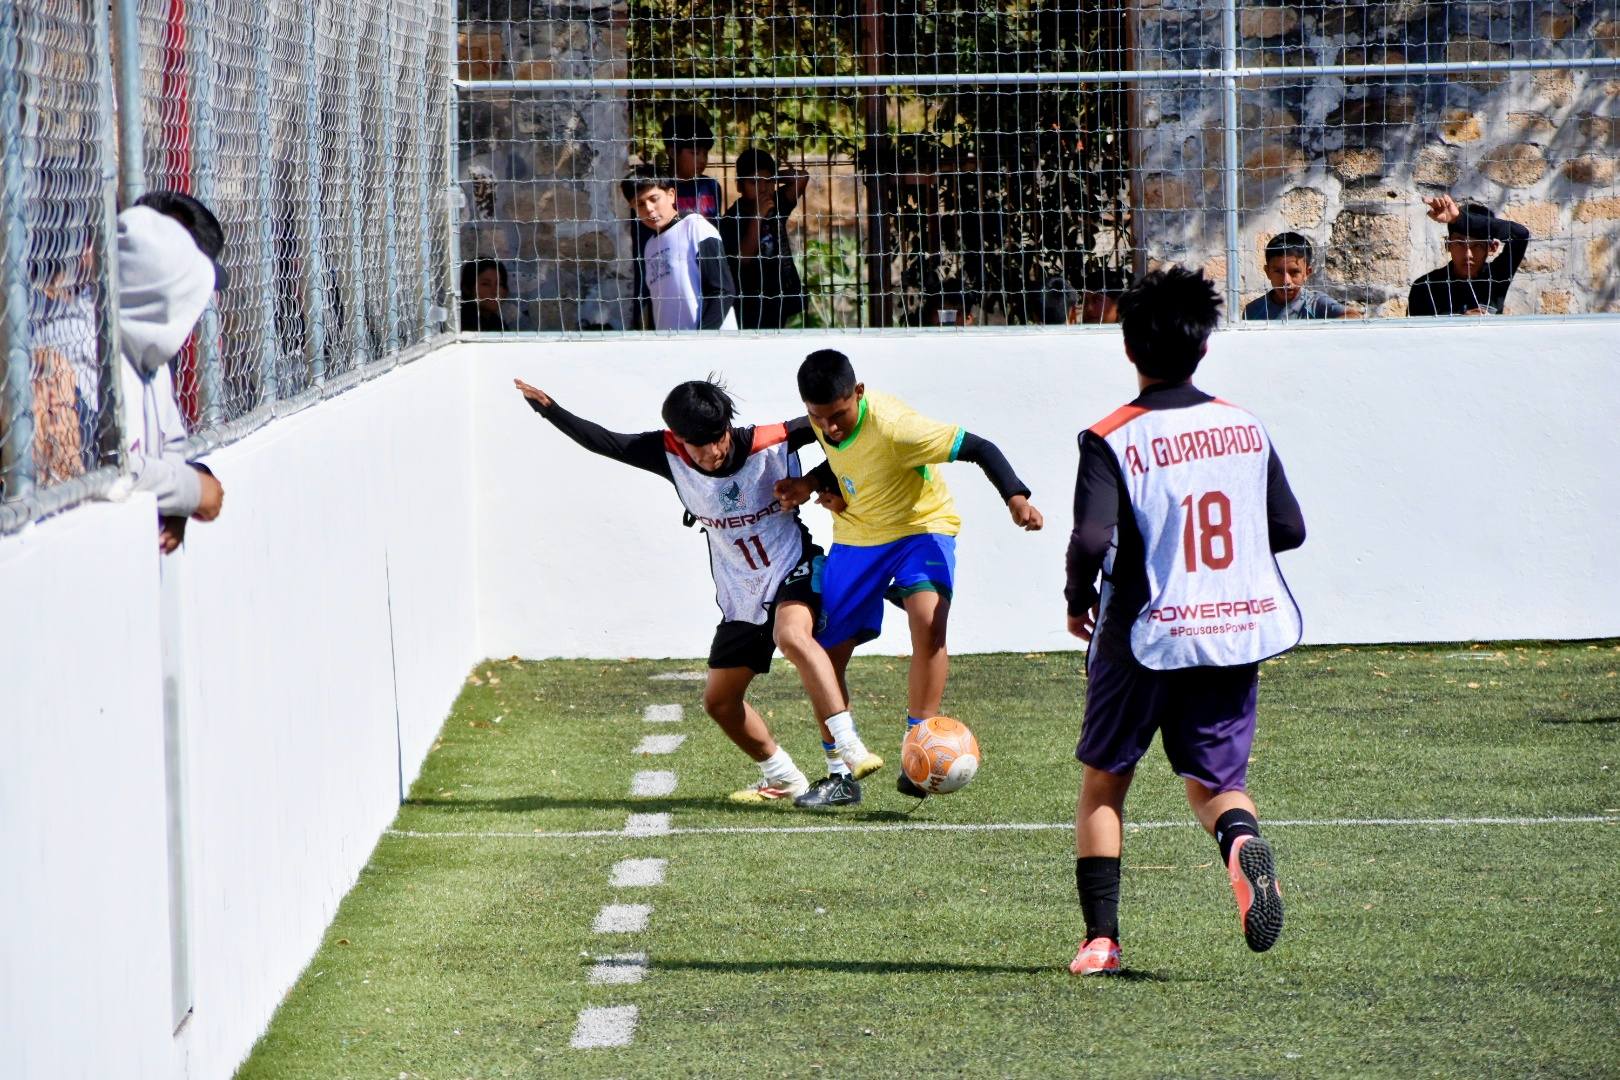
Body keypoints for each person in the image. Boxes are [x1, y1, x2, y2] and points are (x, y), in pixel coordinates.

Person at [1062, 266, 1306, 976]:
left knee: (1106, 782)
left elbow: (1089, 538)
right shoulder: (1243, 426)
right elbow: (1287, 527)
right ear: (1203, 348)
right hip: (1231, 629)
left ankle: (1101, 942)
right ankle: (1240, 845)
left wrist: (1078, 597)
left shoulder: (1111, 437)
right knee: (1216, 783)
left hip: (1142, 630)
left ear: (1129, 349)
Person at [511, 377, 884, 803]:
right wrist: (550, 408)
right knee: (720, 703)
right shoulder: (666, 454)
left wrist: (816, 480)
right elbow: (607, 443)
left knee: (793, 636)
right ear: (679, 439)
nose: (711, 453)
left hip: (792, 565)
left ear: (728, 426)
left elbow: (843, 427)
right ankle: (783, 777)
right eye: (697, 445)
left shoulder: (772, 440)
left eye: (717, 439)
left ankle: (846, 756)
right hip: (740, 593)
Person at [774, 350, 1044, 807]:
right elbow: (849, 461)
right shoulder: (824, 422)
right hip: (859, 536)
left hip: (921, 528)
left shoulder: (899, 427)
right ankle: (840, 776)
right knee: (825, 654)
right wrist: (814, 484)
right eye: (819, 419)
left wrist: (1016, 499)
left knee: (929, 623)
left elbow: (980, 448)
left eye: (838, 415)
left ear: (858, 394)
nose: (831, 428)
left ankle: (916, 751)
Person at [115, 199, 228, 553]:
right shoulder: (94, 351)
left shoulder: (152, 361)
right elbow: (112, 473)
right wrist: (191, 491)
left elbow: (172, 445)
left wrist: (180, 494)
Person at [716, 148, 808, 330]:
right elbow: (743, 258)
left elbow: (801, 178)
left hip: (779, 294)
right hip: (750, 299)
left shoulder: (775, 203)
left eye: (768, 181)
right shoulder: (732, 218)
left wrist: (774, 177)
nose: (762, 188)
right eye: (754, 182)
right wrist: (757, 217)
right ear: (739, 185)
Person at [631, 173, 737, 331]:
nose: (649, 209)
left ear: (671, 195)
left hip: (710, 344)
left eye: (654, 199)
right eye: (640, 204)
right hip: (673, 347)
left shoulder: (695, 227)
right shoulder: (650, 246)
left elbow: (723, 290)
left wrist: (700, 338)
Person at [1408, 196, 1531, 317]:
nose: (1468, 254)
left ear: (1492, 247)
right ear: (1448, 245)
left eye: (1477, 245)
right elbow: (1420, 336)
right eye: (1460, 244)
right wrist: (1462, 322)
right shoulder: (1424, 286)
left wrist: (1460, 219)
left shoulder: (1497, 276)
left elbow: (1520, 234)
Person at [1243, 232, 1347, 321]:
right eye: (1278, 271)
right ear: (1268, 272)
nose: (1286, 281)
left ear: (1307, 272)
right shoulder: (1253, 311)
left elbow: (1353, 316)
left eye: (1294, 272)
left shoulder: (1316, 304)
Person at [661, 113, 723, 218]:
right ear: (672, 153)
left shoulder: (711, 186)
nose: (703, 160)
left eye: (705, 153)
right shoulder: (659, 188)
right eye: (695, 153)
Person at [459, 259, 531, 332]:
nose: (494, 291)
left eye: (499, 284)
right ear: (467, 288)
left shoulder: (496, 323)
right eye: (485, 284)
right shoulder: (460, 324)